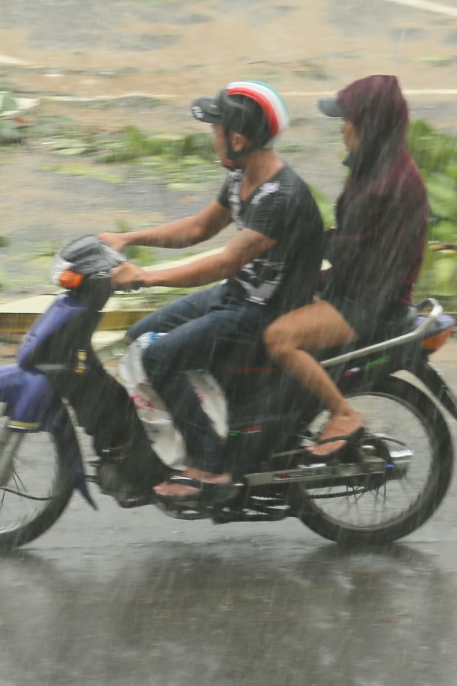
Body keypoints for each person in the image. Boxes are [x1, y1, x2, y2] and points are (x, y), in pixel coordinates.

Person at [99, 82, 325, 501]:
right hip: (239, 295)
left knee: (159, 357)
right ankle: (207, 422)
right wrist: (129, 238)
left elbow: (224, 262)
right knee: (137, 336)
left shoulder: (279, 198)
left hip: (268, 313)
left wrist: (148, 278)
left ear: (238, 138)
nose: (212, 136)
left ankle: (209, 465)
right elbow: (199, 229)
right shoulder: (242, 176)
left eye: (216, 129)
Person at [263, 74, 429, 458]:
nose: (343, 130)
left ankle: (343, 414)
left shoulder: (393, 183)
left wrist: (311, 247)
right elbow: (353, 244)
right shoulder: (374, 167)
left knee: (279, 337)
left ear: (368, 125)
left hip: (369, 304)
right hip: (353, 289)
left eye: (348, 120)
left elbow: (359, 255)